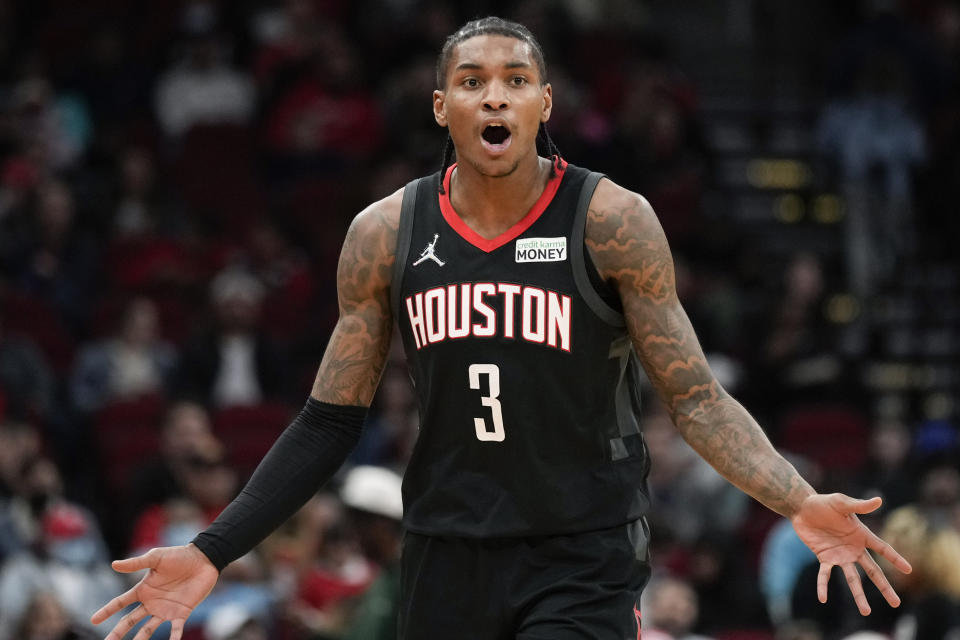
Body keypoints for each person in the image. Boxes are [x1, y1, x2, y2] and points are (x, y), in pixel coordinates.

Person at [92, 17, 913, 640]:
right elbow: (327, 422)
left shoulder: (611, 221)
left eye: (516, 80)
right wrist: (212, 549)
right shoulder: (385, 233)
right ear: (442, 104)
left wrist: (796, 499)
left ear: (543, 104)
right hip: (446, 546)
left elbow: (693, 396)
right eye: (475, 80)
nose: (495, 94)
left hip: (580, 549)